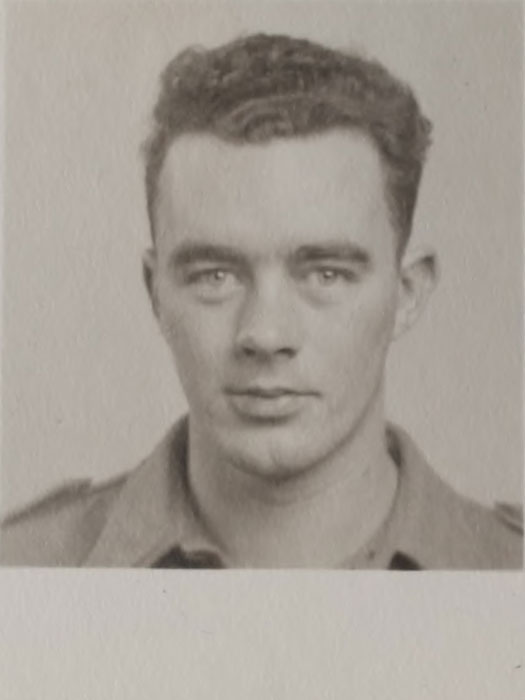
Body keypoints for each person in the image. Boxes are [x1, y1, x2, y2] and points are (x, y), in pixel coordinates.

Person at [1, 33, 522, 569]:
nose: (266, 334)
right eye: (215, 275)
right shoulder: (19, 569)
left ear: (407, 292)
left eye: (325, 274)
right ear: (155, 292)